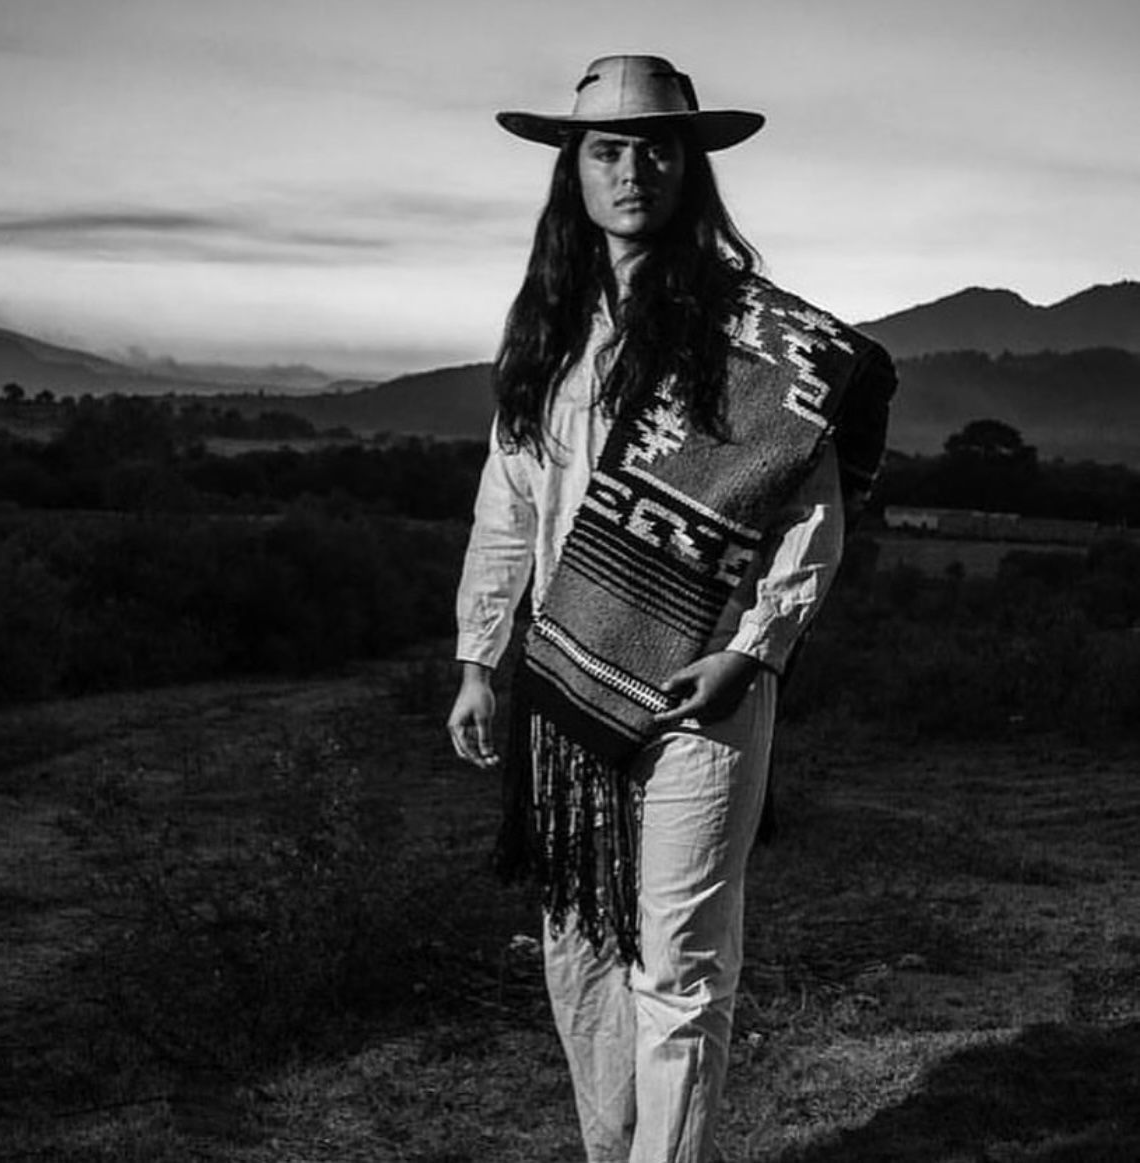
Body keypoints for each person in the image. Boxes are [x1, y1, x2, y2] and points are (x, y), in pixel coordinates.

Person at [447, 54, 895, 1163]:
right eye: (607, 150)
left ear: (691, 168)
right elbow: (509, 504)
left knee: (681, 968)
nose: (632, 170)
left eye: (656, 150)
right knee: (581, 956)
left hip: (709, 685)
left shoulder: (758, 337)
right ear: (575, 170)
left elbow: (812, 513)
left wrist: (756, 647)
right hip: (569, 678)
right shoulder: (548, 331)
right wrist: (479, 658)